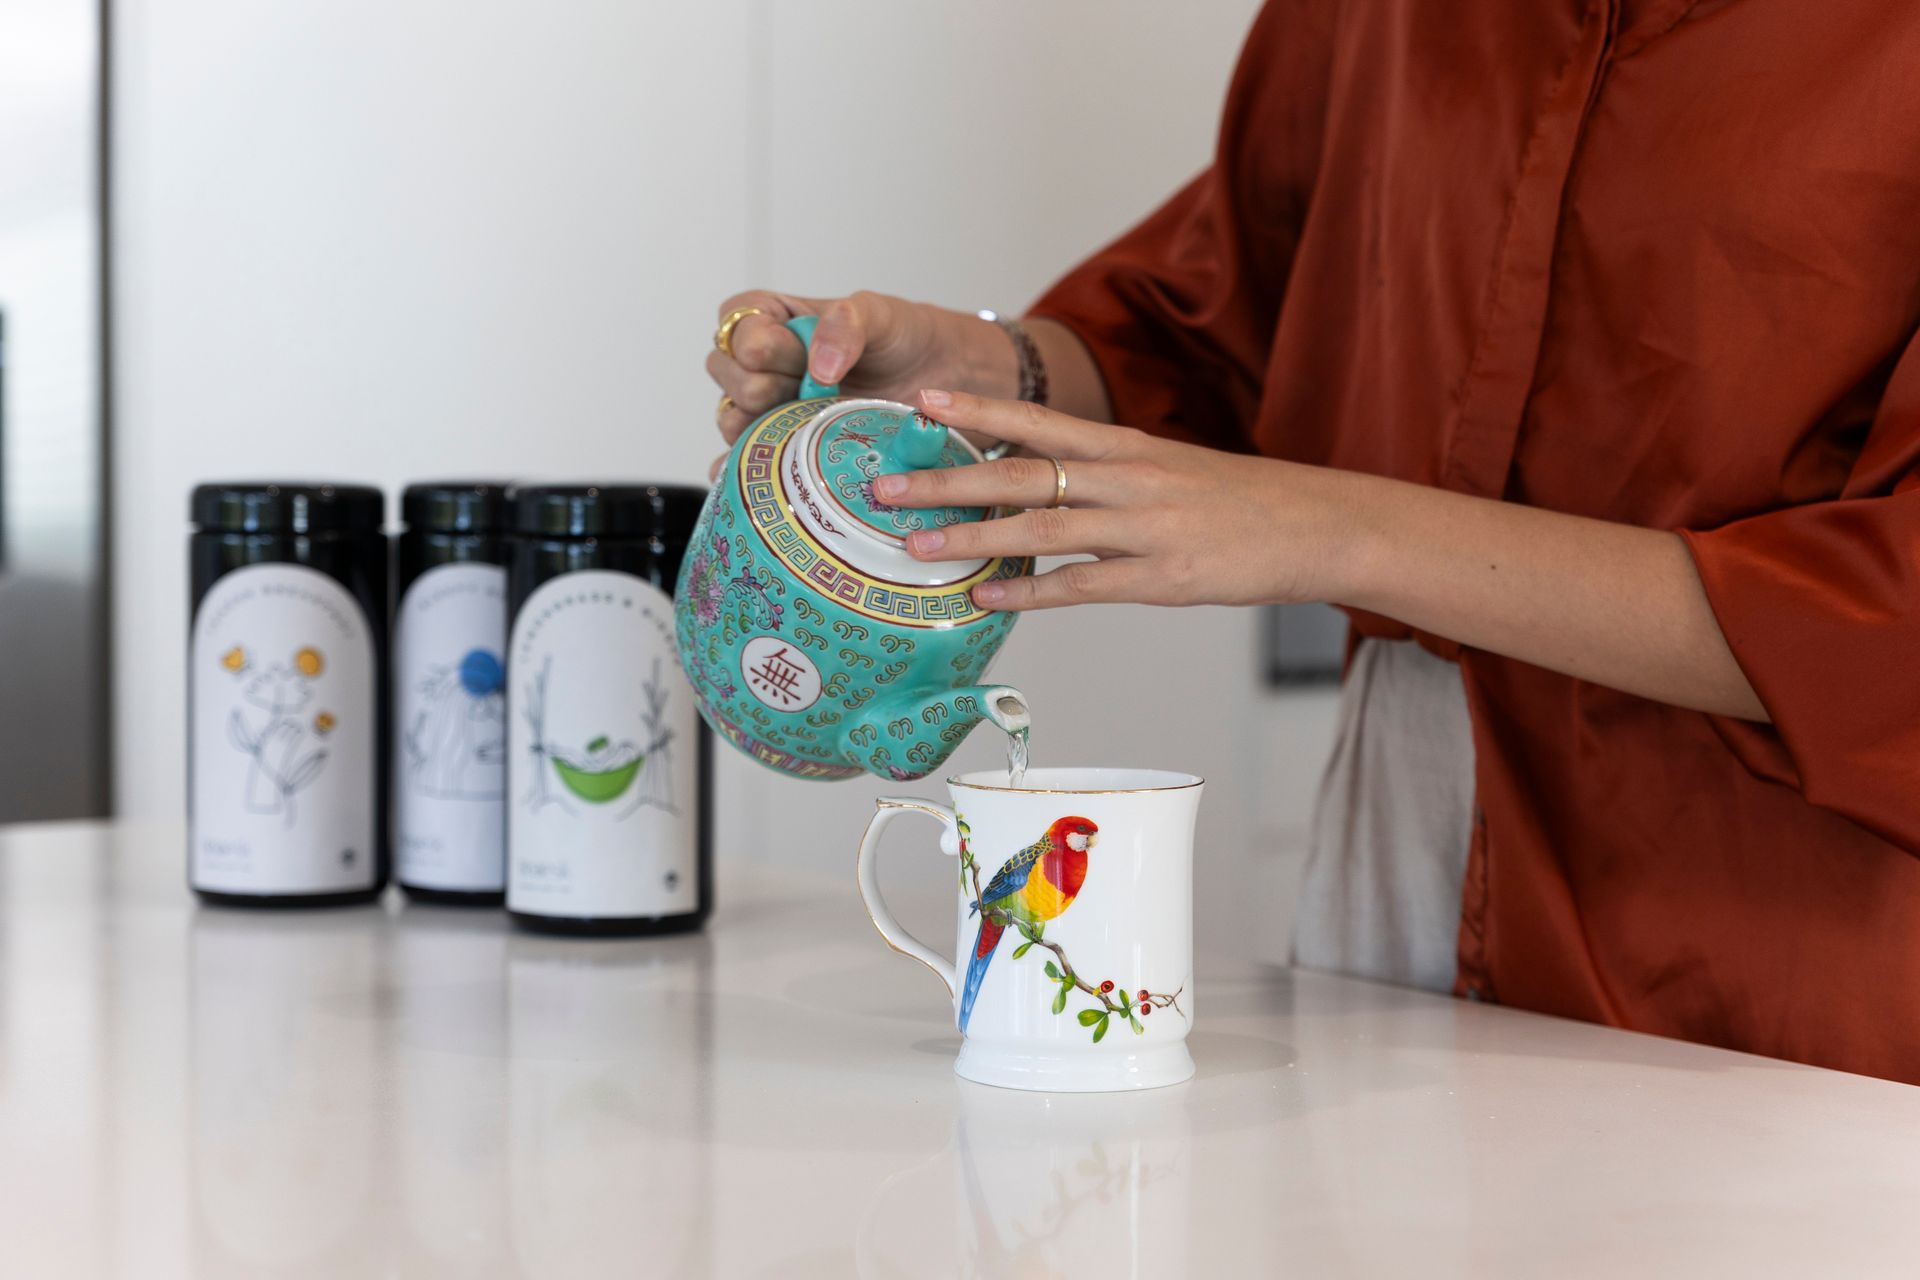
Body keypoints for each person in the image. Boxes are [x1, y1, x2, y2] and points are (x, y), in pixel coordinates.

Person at [704, 2, 1920, 1084]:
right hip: (1400, 819)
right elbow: (1218, 318)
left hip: (1766, 945)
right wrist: (991, 367)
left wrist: (1326, 525)